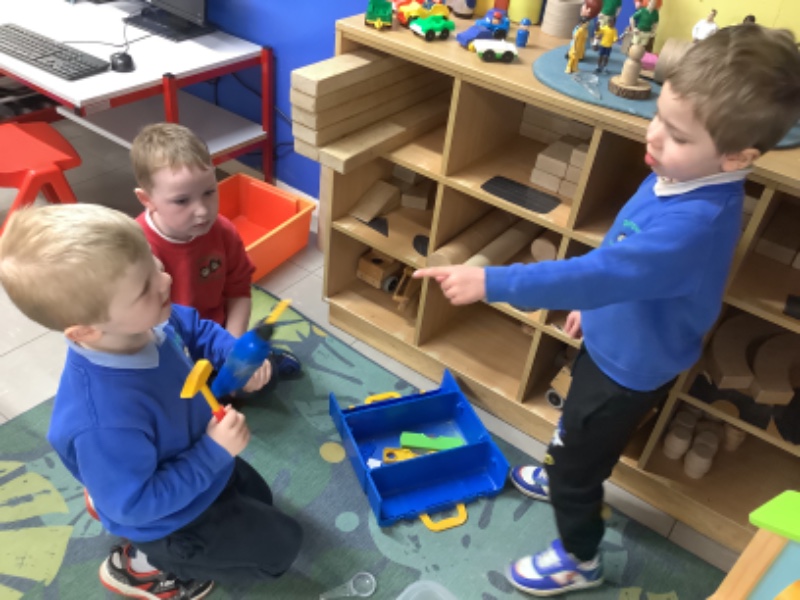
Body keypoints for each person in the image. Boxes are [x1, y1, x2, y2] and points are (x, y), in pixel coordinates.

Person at [415, 25, 800, 596]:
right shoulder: (680, 174)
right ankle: (567, 464)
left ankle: (579, 556)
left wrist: (491, 280)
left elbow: (602, 272)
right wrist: (596, 313)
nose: (654, 136)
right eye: (659, 117)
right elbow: (624, 259)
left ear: (737, 156)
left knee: (580, 459)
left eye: (676, 135)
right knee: (579, 428)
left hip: (630, 368)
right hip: (616, 339)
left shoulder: (695, 224)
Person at [0, 204, 303, 599]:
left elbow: (193, 328)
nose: (165, 280)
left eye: (154, 263)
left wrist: (231, 351)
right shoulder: (104, 420)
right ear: (86, 331)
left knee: (261, 499)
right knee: (281, 551)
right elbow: (138, 503)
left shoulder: (150, 320)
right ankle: (144, 565)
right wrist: (212, 453)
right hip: (163, 515)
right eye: (144, 287)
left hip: (188, 451)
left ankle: (109, 482)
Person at [131, 122, 300, 379]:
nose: (202, 210)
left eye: (209, 192)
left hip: (219, 336)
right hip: (168, 346)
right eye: (182, 200)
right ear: (147, 200)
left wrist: (232, 349)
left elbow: (239, 291)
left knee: (254, 381)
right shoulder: (134, 247)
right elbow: (134, 321)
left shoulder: (223, 231)